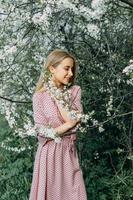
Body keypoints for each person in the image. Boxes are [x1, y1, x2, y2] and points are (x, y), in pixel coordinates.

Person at [29, 49, 87, 200]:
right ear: (52, 69)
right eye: (66, 69)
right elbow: (41, 133)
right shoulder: (39, 97)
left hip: (68, 152)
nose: (71, 74)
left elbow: (74, 120)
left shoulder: (74, 91)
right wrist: (67, 126)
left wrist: (57, 96)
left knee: (75, 194)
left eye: (72, 69)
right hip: (49, 154)